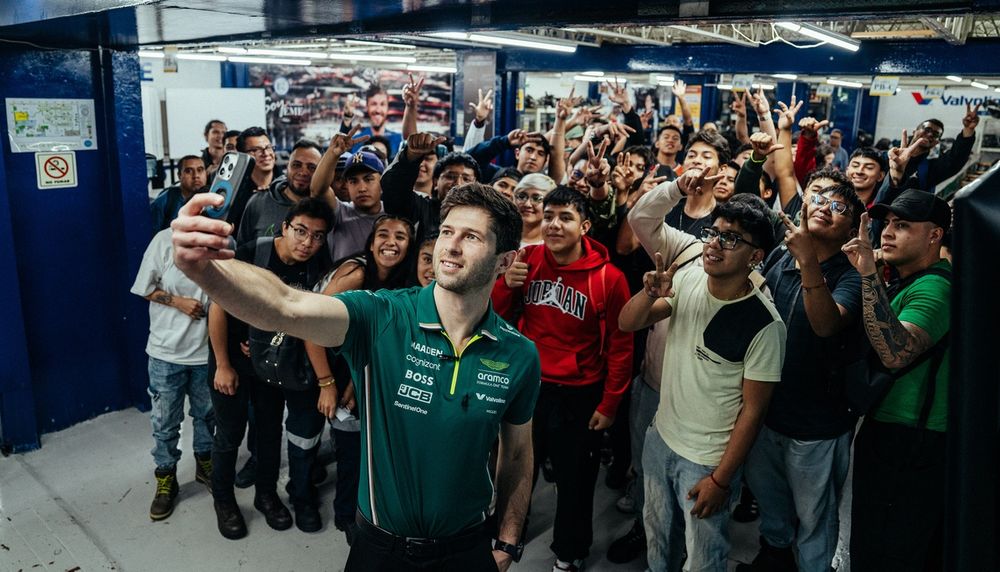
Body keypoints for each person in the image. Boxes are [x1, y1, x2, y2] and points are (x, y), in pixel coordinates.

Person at [172, 182, 539, 571]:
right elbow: (286, 306)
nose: (450, 245)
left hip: (467, 546)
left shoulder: (518, 354)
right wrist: (207, 268)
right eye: (447, 231)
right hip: (380, 547)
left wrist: (509, 539)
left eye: (471, 237)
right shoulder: (381, 316)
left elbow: (516, 452)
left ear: (504, 260)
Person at [624, 175, 786, 572]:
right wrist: (649, 294)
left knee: (703, 557)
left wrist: (721, 479)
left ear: (756, 256)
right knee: (657, 540)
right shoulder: (691, 276)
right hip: (661, 438)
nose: (714, 243)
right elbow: (627, 323)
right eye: (715, 233)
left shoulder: (765, 324)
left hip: (707, 460)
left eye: (731, 239)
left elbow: (754, 411)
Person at [493, 186, 633, 572]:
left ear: (585, 225)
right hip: (530, 386)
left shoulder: (610, 278)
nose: (554, 224)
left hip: (579, 393)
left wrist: (609, 404)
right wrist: (506, 285)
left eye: (565, 217)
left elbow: (622, 348)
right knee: (516, 468)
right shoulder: (526, 258)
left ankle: (570, 551)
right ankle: (508, 534)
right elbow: (496, 319)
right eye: (549, 215)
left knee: (575, 479)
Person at [738, 183, 866, 572]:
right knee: (770, 500)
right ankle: (776, 553)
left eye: (839, 207)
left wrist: (810, 263)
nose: (825, 208)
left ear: (851, 231)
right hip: (764, 414)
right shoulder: (780, 256)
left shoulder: (853, 276)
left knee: (815, 517)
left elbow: (826, 325)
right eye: (820, 199)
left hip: (816, 427)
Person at [207, 198, 334, 540]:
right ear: (284, 227)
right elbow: (216, 309)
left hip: (270, 363)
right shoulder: (251, 254)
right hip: (231, 360)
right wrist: (222, 364)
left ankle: (266, 494)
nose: (308, 242)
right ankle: (224, 499)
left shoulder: (316, 265)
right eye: (301, 231)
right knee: (230, 433)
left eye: (319, 236)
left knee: (267, 432)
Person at [842, 190, 952, 571]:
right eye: (886, 224)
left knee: (888, 553)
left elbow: (897, 351)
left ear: (934, 235)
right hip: (891, 432)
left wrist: (869, 275)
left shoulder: (936, 287)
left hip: (912, 441)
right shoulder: (909, 278)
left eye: (902, 225)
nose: (887, 233)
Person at [304, 214, 416, 543]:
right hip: (319, 359)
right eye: (383, 234)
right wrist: (326, 383)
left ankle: (360, 510)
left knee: (360, 444)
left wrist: (356, 381)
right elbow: (312, 326)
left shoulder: (400, 283)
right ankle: (343, 515)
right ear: (370, 243)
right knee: (340, 446)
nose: (391, 242)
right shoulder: (357, 274)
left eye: (401, 236)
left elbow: (376, 339)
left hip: (354, 365)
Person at [130, 228, 214, 521]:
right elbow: (143, 288)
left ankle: (205, 465)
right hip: (166, 354)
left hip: (206, 353)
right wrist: (179, 302)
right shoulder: (164, 241)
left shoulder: (220, 244)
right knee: (166, 423)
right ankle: (166, 479)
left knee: (207, 415)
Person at [381, 132, 480, 241]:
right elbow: (393, 190)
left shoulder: (483, 218)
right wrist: (411, 156)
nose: (458, 183)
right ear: (436, 182)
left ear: (476, 185)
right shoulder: (420, 208)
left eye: (466, 179)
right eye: (450, 176)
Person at [236, 139, 322, 246]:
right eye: (296, 165)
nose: (303, 172)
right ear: (287, 167)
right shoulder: (258, 202)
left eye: (312, 167)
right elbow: (241, 252)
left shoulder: (325, 207)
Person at [900, 105, 979, 190]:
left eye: (935, 134)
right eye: (927, 129)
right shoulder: (890, 155)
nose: (930, 134)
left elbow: (956, 159)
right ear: (914, 131)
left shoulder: (932, 168)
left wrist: (968, 129)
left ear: (936, 142)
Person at [227, 127, 277, 235]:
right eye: (255, 150)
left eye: (268, 147)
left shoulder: (287, 186)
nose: (265, 153)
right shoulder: (235, 193)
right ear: (243, 156)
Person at [341, 84, 403, 157]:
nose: (378, 110)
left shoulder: (398, 140)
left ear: (387, 107)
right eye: (374, 104)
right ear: (367, 107)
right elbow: (341, 155)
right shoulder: (356, 141)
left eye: (382, 104)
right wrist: (347, 118)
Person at [150, 155, 207, 233]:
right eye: (188, 171)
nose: (196, 176)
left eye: (200, 170)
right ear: (179, 175)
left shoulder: (213, 199)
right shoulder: (163, 202)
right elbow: (154, 238)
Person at [513, 173, 558, 247]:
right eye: (521, 196)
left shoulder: (554, 245)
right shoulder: (499, 234)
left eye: (537, 198)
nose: (527, 204)